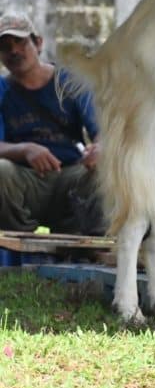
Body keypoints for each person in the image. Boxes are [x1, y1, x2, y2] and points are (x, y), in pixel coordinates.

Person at [0, 12, 106, 235]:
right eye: (5, 47)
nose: (14, 51)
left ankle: (87, 251)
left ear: (38, 43)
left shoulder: (69, 81)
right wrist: (25, 150)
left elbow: (101, 130)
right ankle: (19, 250)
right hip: (25, 181)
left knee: (103, 171)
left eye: (20, 42)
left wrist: (99, 149)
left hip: (70, 176)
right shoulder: (2, 90)